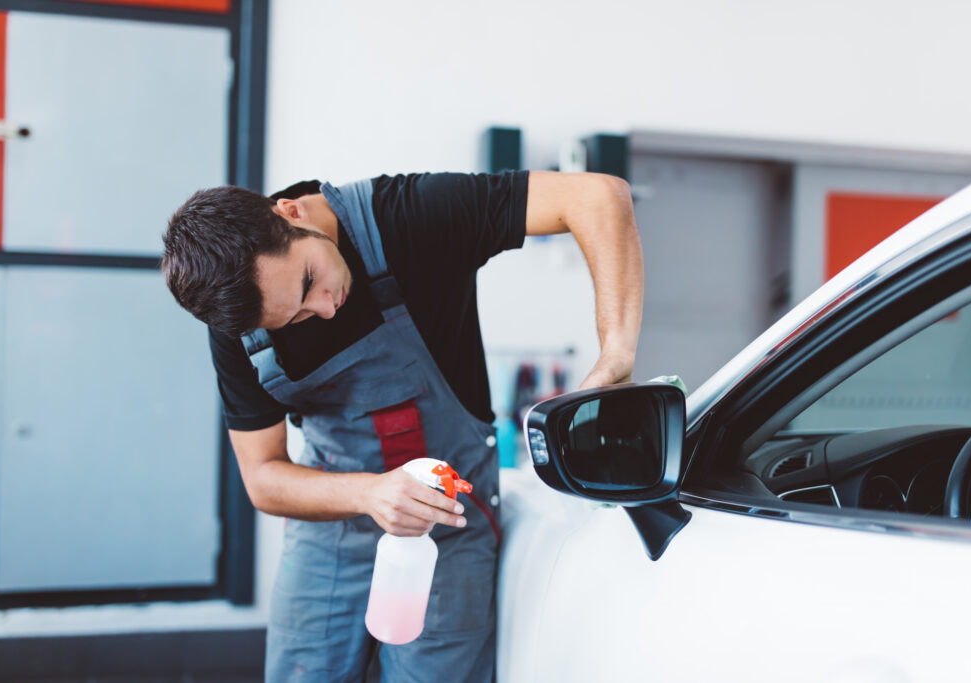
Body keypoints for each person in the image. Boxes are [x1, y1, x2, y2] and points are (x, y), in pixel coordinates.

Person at [161, 170, 643, 682]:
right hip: (333, 531)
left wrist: (615, 354)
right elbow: (263, 478)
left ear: (290, 212)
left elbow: (597, 196)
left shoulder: (407, 218)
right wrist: (369, 494)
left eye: (309, 281)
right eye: (294, 317)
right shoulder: (238, 324)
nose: (322, 308)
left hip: (451, 524)